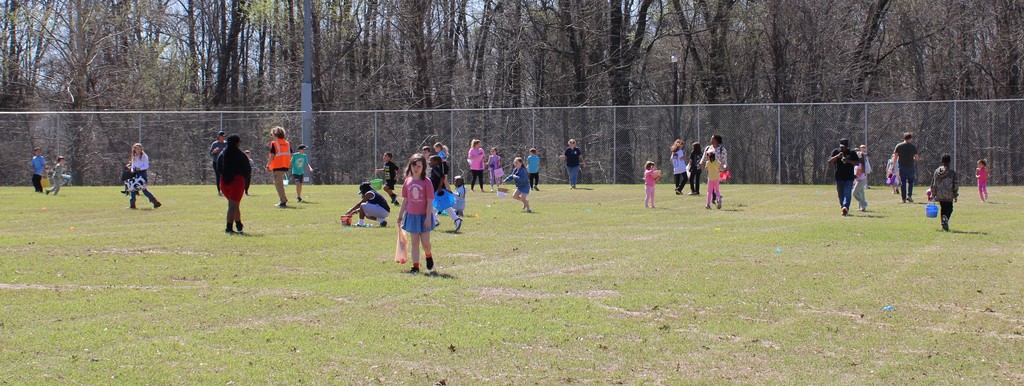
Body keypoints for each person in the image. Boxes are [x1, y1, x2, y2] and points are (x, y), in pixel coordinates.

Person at [397, 154, 435, 273]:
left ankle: (428, 255)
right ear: (410, 167)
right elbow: (405, 200)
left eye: (419, 166)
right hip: (412, 216)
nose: (416, 168)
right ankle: (416, 266)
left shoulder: (426, 182)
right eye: (414, 166)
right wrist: (400, 215)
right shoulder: (407, 181)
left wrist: (428, 217)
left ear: (423, 167)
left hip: (424, 216)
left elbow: (429, 202)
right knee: (414, 242)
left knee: (425, 242)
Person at [217, 134, 251, 234]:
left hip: (224, 181)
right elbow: (247, 169)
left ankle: (239, 225)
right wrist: (245, 179)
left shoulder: (222, 154)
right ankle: (229, 228)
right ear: (237, 143)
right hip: (237, 181)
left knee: (234, 204)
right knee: (232, 205)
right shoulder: (240, 155)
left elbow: (218, 168)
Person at [429, 155, 463, 231]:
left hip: (439, 191)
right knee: (443, 206)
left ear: (436, 162)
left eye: (431, 161)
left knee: (431, 204)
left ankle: (435, 221)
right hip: (436, 191)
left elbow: (442, 177)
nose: (429, 162)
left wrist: (440, 187)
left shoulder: (435, 169)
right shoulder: (434, 169)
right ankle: (456, 219)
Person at [828, 138, 860, 216]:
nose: (842, 148)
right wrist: (837, 157)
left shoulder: (852, 153)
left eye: (844, 147)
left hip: (849, 177)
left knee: (847, 192)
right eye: (841, 147)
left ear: (847, 146)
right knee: (840, 194)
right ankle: (843, 207)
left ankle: (846, 207)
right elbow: (829, 162)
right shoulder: (836, 152)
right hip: (839, 177)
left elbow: (857, 163)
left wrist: (848, 161)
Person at [126, 143, 162, 209]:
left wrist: (139, 168)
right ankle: (132, 205)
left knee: (144, 189)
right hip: (135, 174)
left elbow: (146, 166)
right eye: (137, 149)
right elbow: (133, 165)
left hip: (142, 174)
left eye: (139, 149)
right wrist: (131, 169)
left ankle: (155, 202)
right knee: (132, 189)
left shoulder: (144, 156)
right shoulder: (134, 156)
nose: (138, 150)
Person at [930, 154, 959, 231]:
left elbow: (933, 183)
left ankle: (943, 222)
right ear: (949, 162)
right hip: (949, 194)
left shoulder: (937, 171)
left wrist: (933, 194)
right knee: (949, 208)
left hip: (939, 194)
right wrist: (955, 194)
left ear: (942, 161)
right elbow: (955, 183)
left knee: (943, 208)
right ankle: (945, 219)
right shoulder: (952, 173)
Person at [266, 126, 292, 207]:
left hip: (278, 165)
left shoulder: (275, 143)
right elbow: (291, 154)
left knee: (278, 184)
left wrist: (268, 165)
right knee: (278, 183)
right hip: (285, 165)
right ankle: (284, 198)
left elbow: (272, 156)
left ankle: (283, 201)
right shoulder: (287, 143)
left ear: (275, 134)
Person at [892, 132, 920, 203]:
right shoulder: (912, 146)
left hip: (902, 167)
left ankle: (903, 199)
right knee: (911, 182)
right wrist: (912, 158)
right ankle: (909, 196)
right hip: (910, 166)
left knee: (903, 182)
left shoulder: (899, 146)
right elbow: (916, 157)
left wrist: (893, 165)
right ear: (910, 138)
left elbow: (895, 157)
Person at [700, 135, 727, 204]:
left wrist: (724, 167)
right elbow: (704, 158)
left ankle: (716, 197)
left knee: (715, 185)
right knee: (711, 184)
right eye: (711, 139)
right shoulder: (708, 148)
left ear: (717, 140)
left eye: (713, 139)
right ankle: (716, 197)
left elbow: (724, 160)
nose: (711, 140)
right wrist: (701, 164)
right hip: (710, 169)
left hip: (719, 170)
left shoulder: (722, 149)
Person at [209, 131, 228, 195]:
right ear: (219, 136)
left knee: (225, 176)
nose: (223, 137)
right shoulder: (215, 144)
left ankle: (225, 190)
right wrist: (214, 151)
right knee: (218, 176)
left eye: (224, 136)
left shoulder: (226, 143)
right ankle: (219, 191)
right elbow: (211, 154)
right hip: (216, 163)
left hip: (225, 163)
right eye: (222, 136)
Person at [853, 145, 869, 212]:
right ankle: (862, 207)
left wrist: (855, 178)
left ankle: (863, 204)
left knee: (854, 193)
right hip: (862, 179)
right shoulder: (860, 163)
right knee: (861, 193)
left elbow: (857, 173)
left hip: (860, 180)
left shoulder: (859, 164)